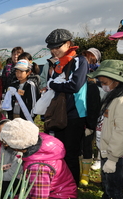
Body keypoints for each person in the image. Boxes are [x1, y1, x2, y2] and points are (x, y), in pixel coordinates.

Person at [45, 28, 89, 185]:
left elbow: (74, 85)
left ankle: (72, 186)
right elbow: (54, 84)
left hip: (75, 114)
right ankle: (61, 183)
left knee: (71, 153)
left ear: (69, 43)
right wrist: (53, 83)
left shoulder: (80, 61)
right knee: (58, 151)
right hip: (59, 113)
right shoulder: (58, 64)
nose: (54, 50)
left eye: (57, 46)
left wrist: (53, 84)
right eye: (51, 47)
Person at [0, 118, 77, 199]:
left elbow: (39, 197)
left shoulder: (38, 168)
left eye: (6, 143)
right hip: (62, 192)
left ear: (17, 146)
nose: (6, 146)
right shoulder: (41, 143)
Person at [87, 60, 123, 199]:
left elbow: (122, 132)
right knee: (107, 186)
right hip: (107, 151)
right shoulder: (112, 95)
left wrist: (113, 158)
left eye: (104, 82)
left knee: (114, 190)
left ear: (116, 81)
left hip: (116, 155)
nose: (102, 86)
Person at [79, 48, 102, 186]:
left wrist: (90, 125)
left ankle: (85, 174)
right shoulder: (77, 79)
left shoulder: (92, 82)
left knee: (87, 145)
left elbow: (94, 105)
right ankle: (78, 171)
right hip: (76, 119)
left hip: (89, 120)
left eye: (88, 59)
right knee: (77, 147)